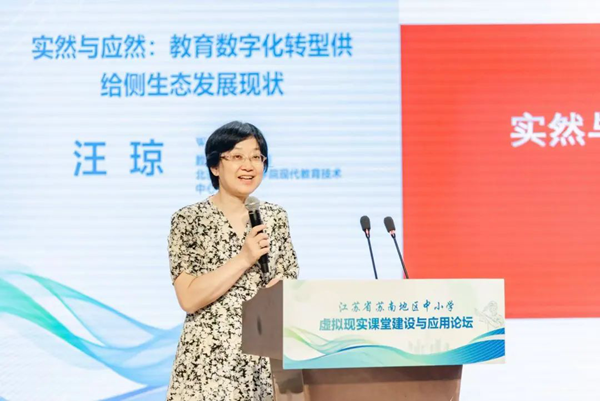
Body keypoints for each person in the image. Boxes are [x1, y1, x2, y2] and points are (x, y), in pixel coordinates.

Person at [166, 121, 299, 401]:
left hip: (263, 362)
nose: (248, 166)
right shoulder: (189, 220)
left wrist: (281, 292)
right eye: (237, 156)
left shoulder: (275, 217)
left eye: (256, 157)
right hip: (207, 364)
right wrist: (244, 258)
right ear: (215, 166)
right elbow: (188, 298)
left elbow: (289, 283)